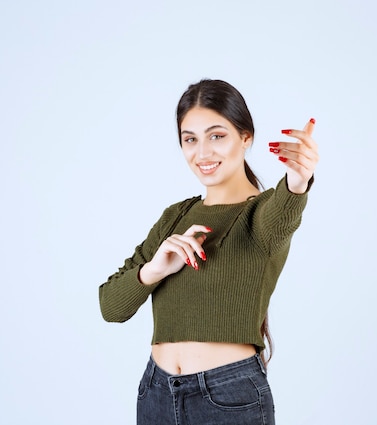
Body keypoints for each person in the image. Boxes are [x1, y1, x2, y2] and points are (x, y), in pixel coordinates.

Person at [99, 79, 318, 425]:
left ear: (246, 137)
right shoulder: (176, 217)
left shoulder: (259, 215)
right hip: (156, 394)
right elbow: (111, 306)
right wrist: (153, 271)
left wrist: (297, 181)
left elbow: (282, 215)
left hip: (227, 398)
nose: (202, 153)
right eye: (190, 139)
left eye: (217, 136)